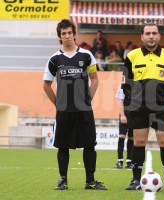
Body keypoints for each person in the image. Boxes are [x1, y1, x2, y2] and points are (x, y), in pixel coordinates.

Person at [43, 19, 107, 191]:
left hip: (84, 109)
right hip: (64, 110)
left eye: (69, 32)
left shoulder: (87, 55)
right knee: (63, 146)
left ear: (74, 34)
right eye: (63, 33)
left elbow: (94, 79)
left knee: (89, 144)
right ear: (59, 37)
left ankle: (90, 181)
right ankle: (63, 180)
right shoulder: (54, 59)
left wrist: (89, 98)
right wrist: (57, 103)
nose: (67, 36)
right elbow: (46, 85)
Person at [122, 22, 164, 191]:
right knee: (139, 142)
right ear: (141, 36)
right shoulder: (132, 56)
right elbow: (126, 82)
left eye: (154, 33)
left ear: (159, 36)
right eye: (147, 33)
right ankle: (135, 180)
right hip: (138, 107)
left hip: (161, 107)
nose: (151, 36)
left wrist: (163, 97)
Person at [114, 85, 134, 169]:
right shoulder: (122, 86)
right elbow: (121, 101)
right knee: (122, 136)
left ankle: (129, 161)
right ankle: (120, 161)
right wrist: (122, 115)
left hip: (134, 115)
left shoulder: (139, 84)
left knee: (131, 138)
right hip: (125, 113)